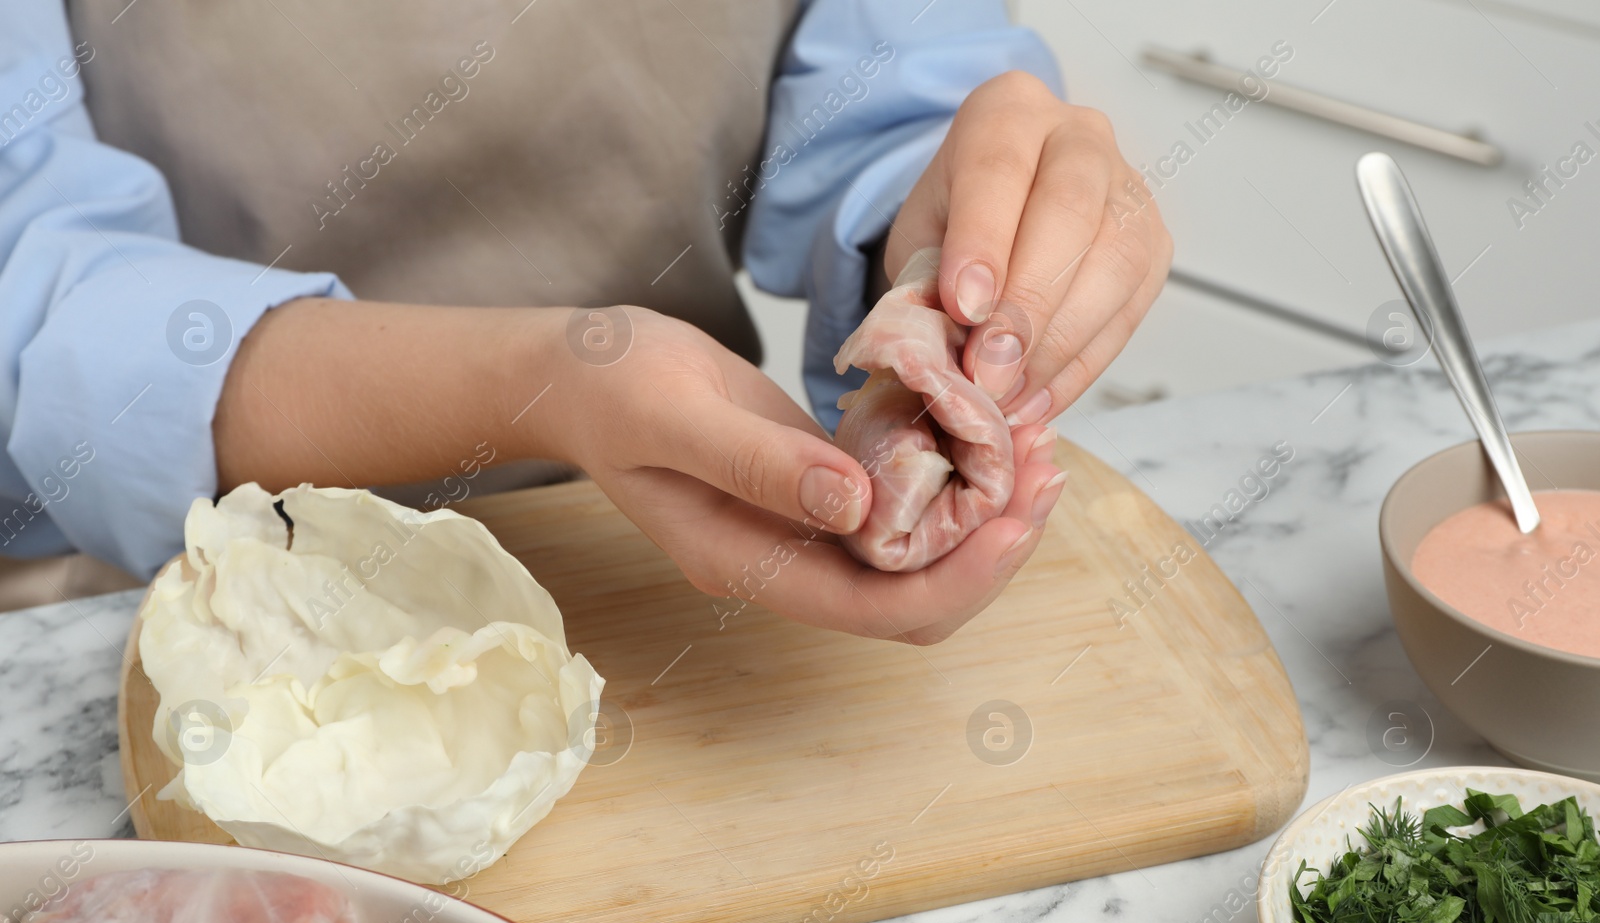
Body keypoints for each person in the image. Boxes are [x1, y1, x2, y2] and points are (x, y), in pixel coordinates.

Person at [0, 0, 1169, 642]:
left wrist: (948, 251)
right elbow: (27, 280)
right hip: (148, 592)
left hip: (657, 577)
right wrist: (537, 382)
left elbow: (888, 108)